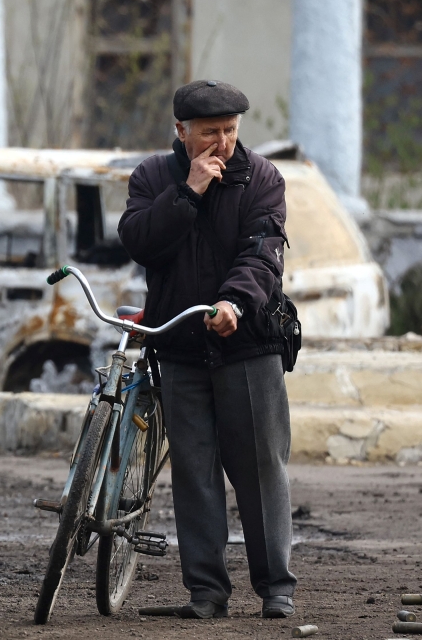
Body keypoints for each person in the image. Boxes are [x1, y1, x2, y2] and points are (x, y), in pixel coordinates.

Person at [117, 80, 297, 620]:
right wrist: (188, 193)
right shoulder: (153, 176)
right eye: (209, 133)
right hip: (180, 347)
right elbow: (138, 241)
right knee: (194, 471)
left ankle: (276, 590)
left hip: (249, 345)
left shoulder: (262, 177)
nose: (222, 143)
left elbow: (264, 254)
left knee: (261, 468)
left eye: (230, 131)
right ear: (181, 131)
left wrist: (235, 304)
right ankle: (206, 593)